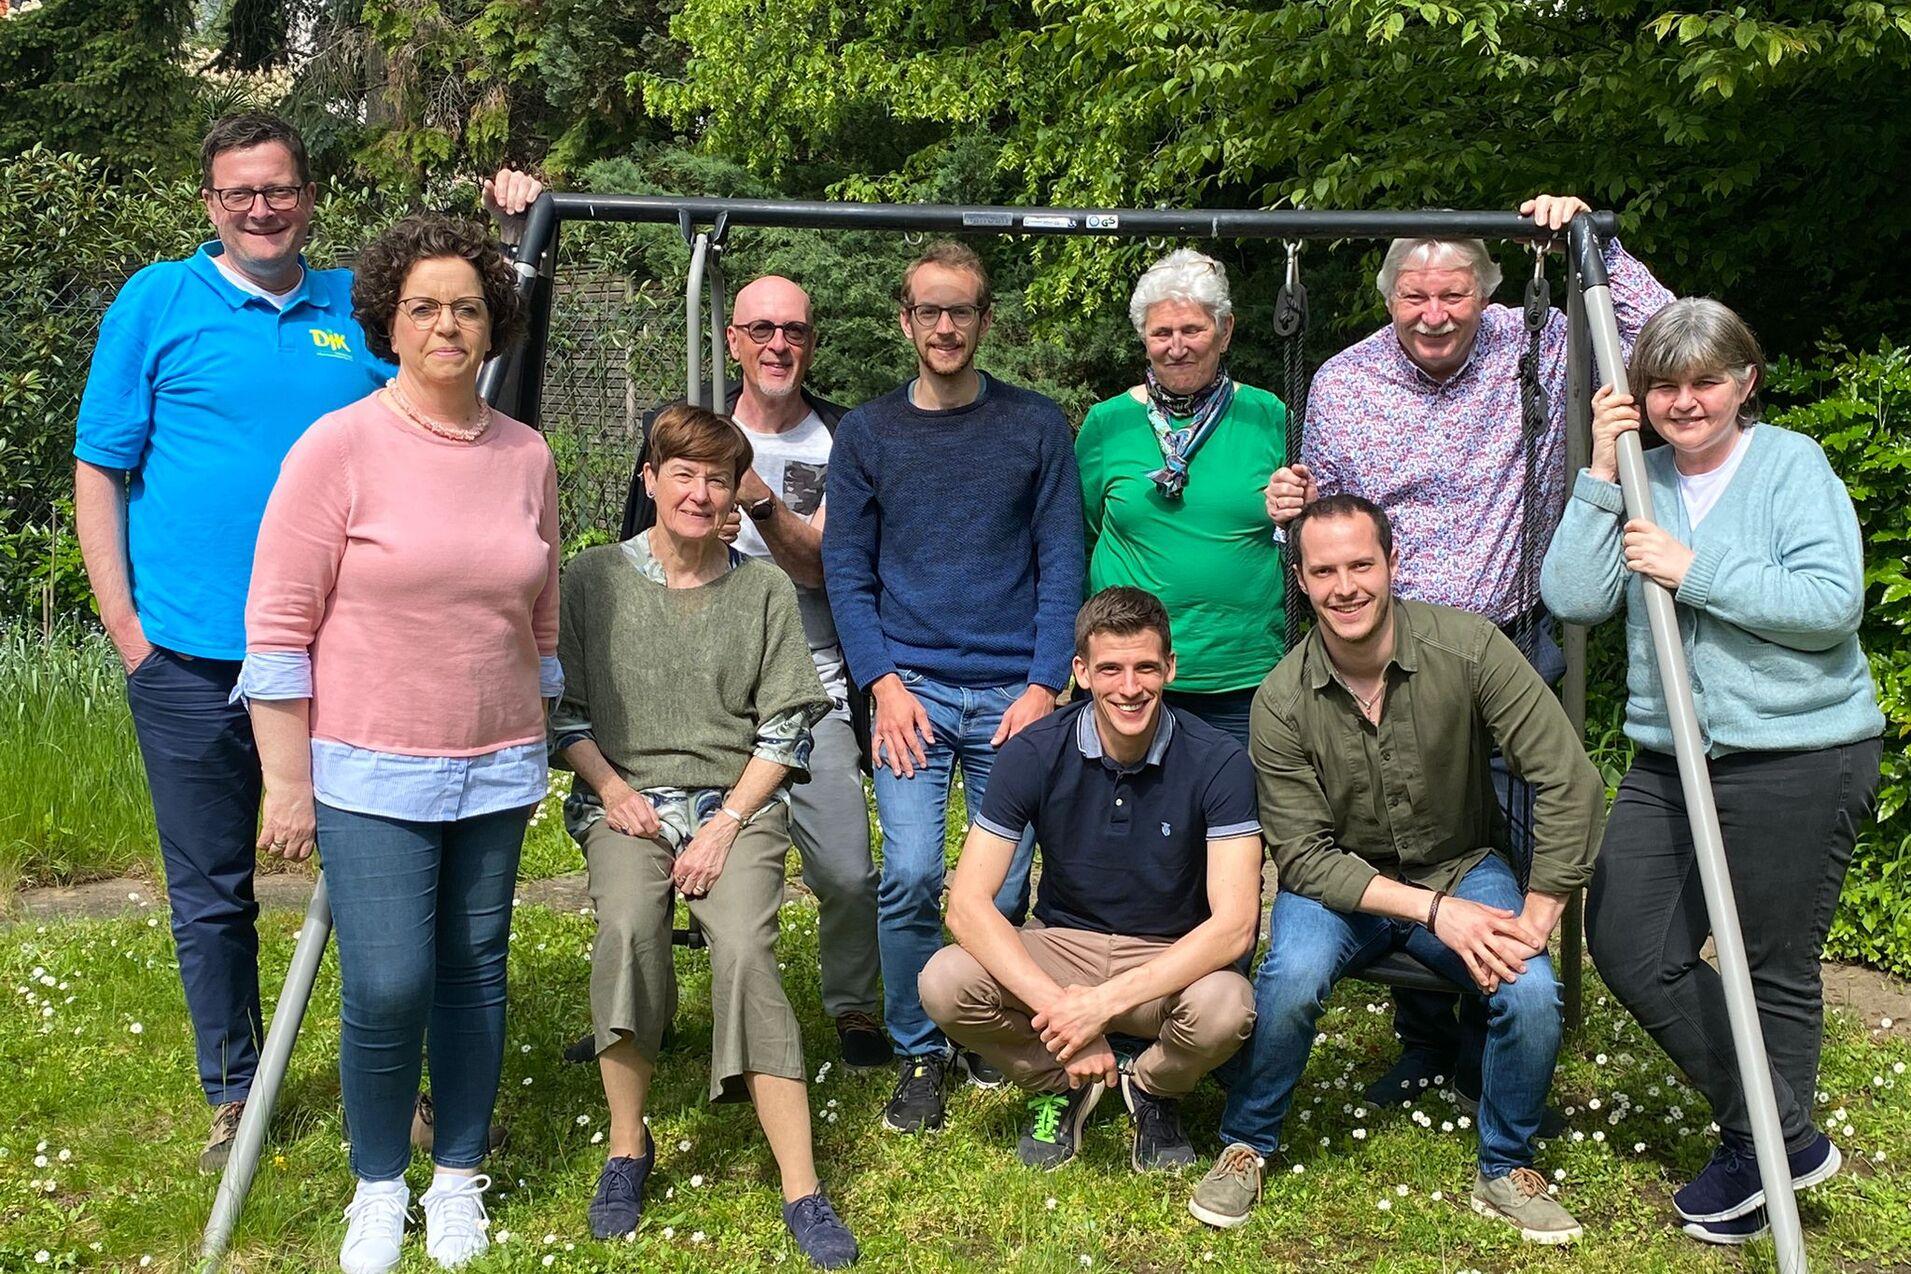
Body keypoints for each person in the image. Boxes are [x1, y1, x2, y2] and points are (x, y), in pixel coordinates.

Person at [71, 111, 540, 1172]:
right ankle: (237, 1089)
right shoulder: (159, 301)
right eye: (239, 192)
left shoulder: (354, 310)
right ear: (210, 203)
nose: (261, 208)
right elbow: (100, 466)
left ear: (308, 196)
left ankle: (415, 1089)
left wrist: (508, 231)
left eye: (278, 189)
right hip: (191, 652)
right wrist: (127, 629)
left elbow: (455, 357)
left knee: (395, 893)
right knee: (212, 886)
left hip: (351, 664)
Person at [1262, 193, 1674, 1114]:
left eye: (1452, 294)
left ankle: (1510, 1035)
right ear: (1387, 298)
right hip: (1384, 655)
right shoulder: (1341, 382)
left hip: (1511, 642)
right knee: (1404, 837)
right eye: (1413, 296)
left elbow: (1661, 338)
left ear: (1484, 293)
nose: (1433, 314)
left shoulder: (1536, 340)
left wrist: (1586, 241)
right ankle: (1427, 1043)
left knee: (1519, 848)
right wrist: (1286, 506)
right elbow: (1326, 523)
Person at [239, 215, 556, 1273]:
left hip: (497, 759)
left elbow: (541, 616)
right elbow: (280, 627)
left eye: (467, 305)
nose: (447, 324)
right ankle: (379, 1184)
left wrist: (542, 723)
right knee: (384, 982)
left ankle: (458, 1174)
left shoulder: (526, 455)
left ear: (493, 322)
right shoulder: (340, 446)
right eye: (424, 306)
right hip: (370, 767)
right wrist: (288, 780)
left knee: (474, 969)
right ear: (388, 318)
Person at [1540, 298, 1884, 1246]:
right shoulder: (1638, 476)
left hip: (1798, 751)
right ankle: (1782, 1132)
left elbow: (1829, 605)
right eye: (1663, 385)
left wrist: (1692, 569)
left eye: (1704, 382)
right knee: (1623, 937)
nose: (1684, 402)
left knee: (1771, 964)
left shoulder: (1789, 465)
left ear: (1745, 382)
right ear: (1639, 395)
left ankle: (1753, 1155)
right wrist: (1602, 474)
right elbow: (1572, 597)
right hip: (1667, 754)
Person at [1193, 495, 1605, 1243]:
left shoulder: (1471, 648)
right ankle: (1246, 1142)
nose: (1344, 586)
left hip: (1459, 865)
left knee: (1533, 988)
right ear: (1300, 579)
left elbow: (1566, 779)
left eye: (1360, 564)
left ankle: (1504, 1165)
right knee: (1287, 980)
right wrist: (1430, 913)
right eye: (1324, 571)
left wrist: (1536, 918)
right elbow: (1305, 855)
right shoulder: (1281, 698)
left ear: (1391, 564)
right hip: (1341, 884)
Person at [552, 405, 859, 1268]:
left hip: (738, 801)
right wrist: (612, 791)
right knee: (627, 926)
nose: (698, 490)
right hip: (626, 799)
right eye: (681, 472)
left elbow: (786, 730)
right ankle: (626, 1146)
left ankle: (801, 1187)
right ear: (649, 479)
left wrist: (725, 824)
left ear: (734, 495)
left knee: (746, 947)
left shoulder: (762, 589)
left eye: (717, 477)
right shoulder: (591, 580)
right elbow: (564, 714)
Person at [822, 240, 1086, 1135]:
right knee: (909, 874)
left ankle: (978, 1024)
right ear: (905, 320)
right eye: (929, 310)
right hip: (913, 692)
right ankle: (917, 1052)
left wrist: (1047, 684)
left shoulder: (1034, 425)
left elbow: (1062, 564)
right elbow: (847, 573)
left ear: (983, 320)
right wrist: (882, 685)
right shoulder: (867, 433)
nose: (945, 325)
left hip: (1015, 691)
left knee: (1004, 886)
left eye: (961, 310)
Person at [611, 275, 885, 1070]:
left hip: (813, 691)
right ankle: (639, 1018)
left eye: (794, 330)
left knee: (843, 870)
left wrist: (763, 504)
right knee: (645, 872)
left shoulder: (846, 439)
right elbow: (639, 569)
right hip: (690, 702)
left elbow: (834, 572)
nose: (778, 345)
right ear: (731, 340)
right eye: (760, 328)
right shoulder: (683, 433)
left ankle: (855, 1007)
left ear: (811, 342)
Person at [920, 587, 1259, 1172]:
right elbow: (967, 906)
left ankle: (1151, 1088)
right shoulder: (1033, 751)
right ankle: (1060, 1081)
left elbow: (1234, 928)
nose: (1130, 688)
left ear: (1170, 667)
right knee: (945, 980)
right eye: (1110, 669)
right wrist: (1065, 1013)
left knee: (1227, 1006)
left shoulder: (1219, 760)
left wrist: (1100, 1006)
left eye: (1146, 667)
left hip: (1167, 959)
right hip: (1063, 946)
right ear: (1080, 672)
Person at [1075, 250, 1288, 748]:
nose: (1177, 347)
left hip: (1246, 674)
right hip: (1131, 680)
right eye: (1161, 334)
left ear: (1225, 331)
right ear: (1144, 339)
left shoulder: (1268, 416)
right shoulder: (1109, 424)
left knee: (1239, 820)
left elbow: (1305, 529)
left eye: (1192, 330)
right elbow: (1078, 537)